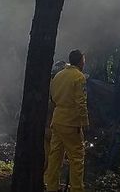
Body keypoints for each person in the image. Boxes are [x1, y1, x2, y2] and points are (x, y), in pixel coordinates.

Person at [45, 50, 89, 192]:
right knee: (76, 159)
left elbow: (53, 98)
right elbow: (81, 103)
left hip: (57, 119)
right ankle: (77, 189)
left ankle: (51, 187)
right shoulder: (79, 77)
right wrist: (85, 122)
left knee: (55, 157)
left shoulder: (58, 75)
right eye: (84, 60)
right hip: (71, 122)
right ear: (80, 61)